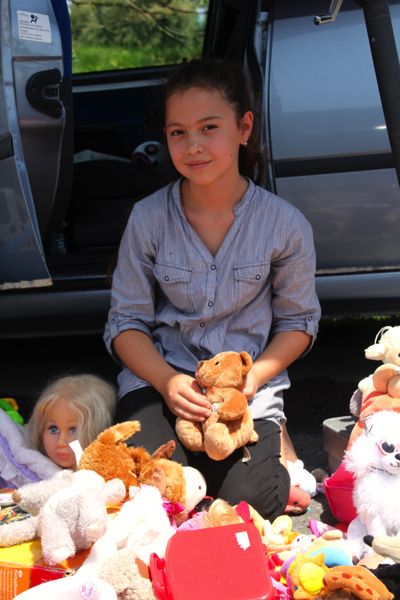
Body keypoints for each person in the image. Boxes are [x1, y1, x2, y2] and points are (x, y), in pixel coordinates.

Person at [104, 58, 321, 519]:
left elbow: (299, 323)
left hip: (245, 393)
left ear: (244, 128)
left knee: (250, 500)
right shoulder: (147, 218)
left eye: (209, 127)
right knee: (151, 488)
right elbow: (125, 323)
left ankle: (276, 445)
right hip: (161, 380)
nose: (193, 145)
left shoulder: (285, 225)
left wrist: (254, 378)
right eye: (178, 132)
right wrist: (167, 381)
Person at [28, 374, 117, 469]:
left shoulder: (111, 474)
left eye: (73, 430)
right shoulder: (31, 466)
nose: (61, 442)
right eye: (53, 430)